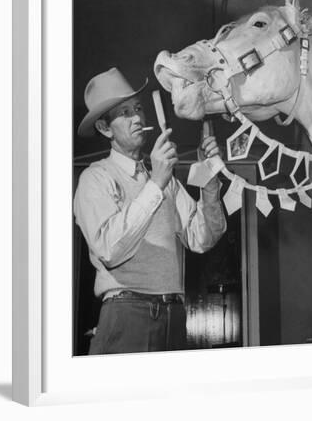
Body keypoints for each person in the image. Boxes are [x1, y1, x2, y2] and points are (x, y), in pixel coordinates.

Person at [74, 67, 227, 354]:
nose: (137, 118)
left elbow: (203, 238)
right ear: (105, 128)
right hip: (127, 312)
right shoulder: (96, 178)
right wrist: (156, 182)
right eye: (124, 113)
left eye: (138, 109)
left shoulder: (162, 177)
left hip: (175, 313)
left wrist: (208, 178)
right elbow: (109, 249)